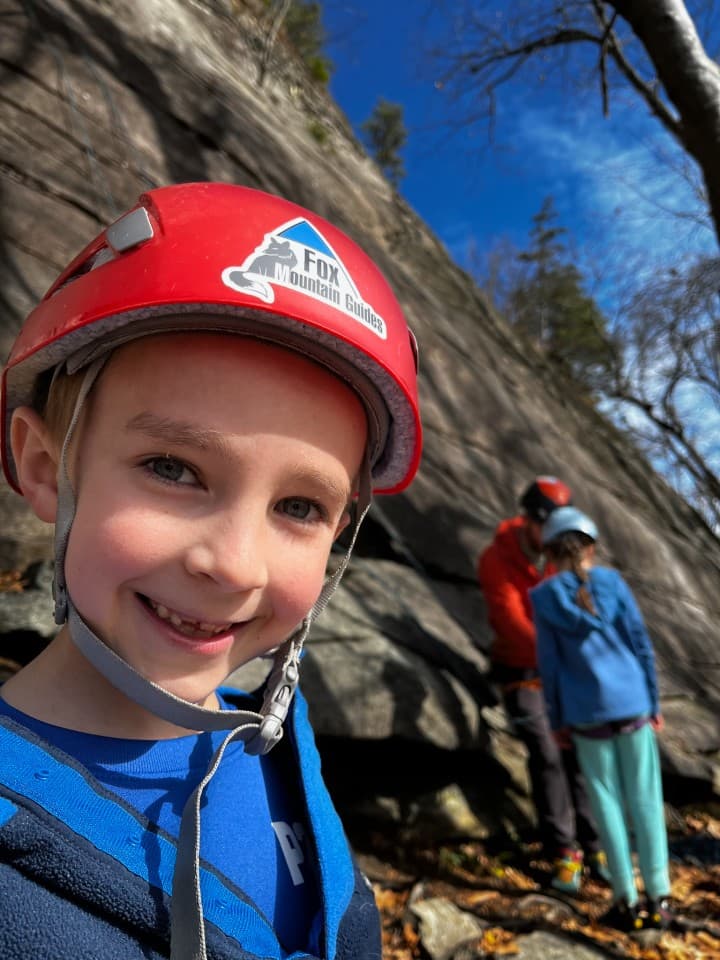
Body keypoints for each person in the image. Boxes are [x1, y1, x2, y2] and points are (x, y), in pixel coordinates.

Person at [0, 182, 422, 959]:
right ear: (42, 466)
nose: (233, 566)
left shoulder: (281, 750)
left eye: (299, 508)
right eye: (172, 467)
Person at [530, 506, 672, 932]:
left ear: (551, 552)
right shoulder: (614, 583)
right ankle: (661, 899)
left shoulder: (544, 597)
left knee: (606, 806)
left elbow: (549, 666)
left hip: (586, 715)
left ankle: (625, 900)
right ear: (591, 546)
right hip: (632, 705)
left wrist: (556, 719)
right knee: (646, 802)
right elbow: (641, 645)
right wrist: (654, 700)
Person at [477, 477, 608, 892]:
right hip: (524, 675)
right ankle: (564, 852)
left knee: (581, 754)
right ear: (530, 521)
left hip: (564, 674)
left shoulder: (558, 556)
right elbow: (509, 623)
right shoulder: (496, 558)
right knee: (547, 752)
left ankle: (596, 844)